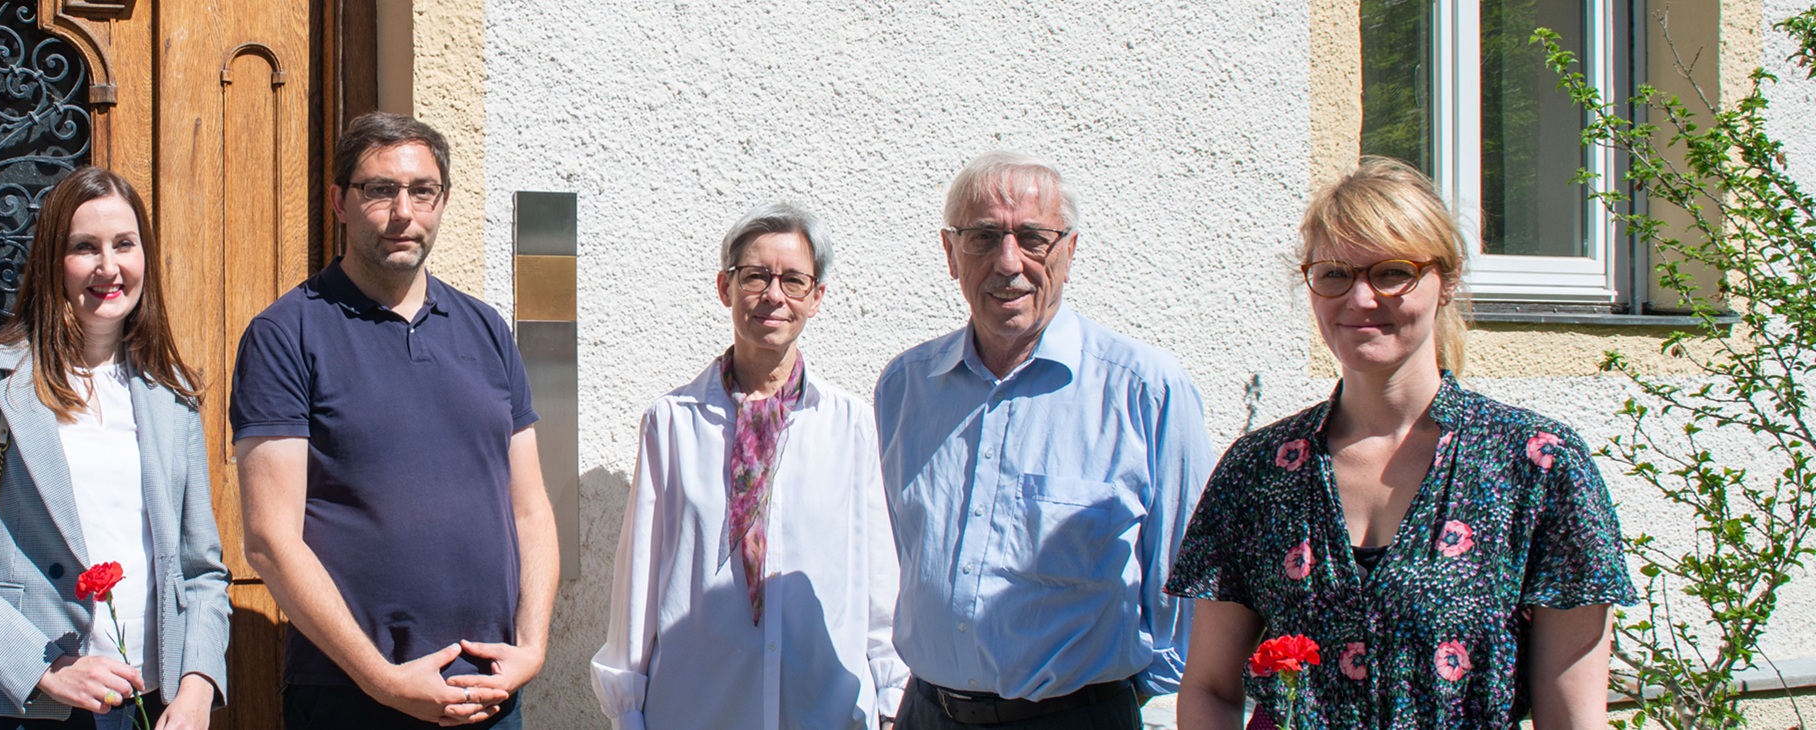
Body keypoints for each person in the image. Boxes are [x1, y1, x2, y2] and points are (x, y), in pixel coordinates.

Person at [1168, 157, 1633, 729]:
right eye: (1335, 274)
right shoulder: (1258, 470)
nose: (1360, 299)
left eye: (1391, 272)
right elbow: (1211, 688)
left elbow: (1573, 718)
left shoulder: (1536, 464)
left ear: (1448, 280)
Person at [232, 111, 557, 730]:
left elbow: (531, 510)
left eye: (422, 191)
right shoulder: (287, 334)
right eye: (380, 190)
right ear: (340, 202)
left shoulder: (486, 330)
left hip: (486, 688)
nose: (403, 211)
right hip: (350, 693)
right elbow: (270, 541)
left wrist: (533, 650)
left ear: (443, 201)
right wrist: (382, 681)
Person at [874, 151, 1211, 729]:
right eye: (983, 237)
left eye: (1033, 238)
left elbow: (1190, 590)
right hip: (927, 713)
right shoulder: (906, 388)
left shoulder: (1145, 391)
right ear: (950, 254)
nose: (1009, 262)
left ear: (1070, 251)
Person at [0, 167, 231, 730]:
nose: (109, 267)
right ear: (52, 261)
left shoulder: (171, 392)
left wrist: (199, 685)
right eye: (85, 247)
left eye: (124, 245)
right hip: (28, 707)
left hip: (154, 704)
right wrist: (45, 668)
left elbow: (202, 569)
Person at [591, 202, 909, 730]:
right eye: (756, 276)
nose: (773, 296)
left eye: (793, 280)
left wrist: (894, 696)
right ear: (726, 288)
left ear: (817, 298)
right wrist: (628, 709)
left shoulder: (853, 426)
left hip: (824, 711)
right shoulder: (671, 423)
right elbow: (639, 583)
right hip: (700, 709)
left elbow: (878, 582)